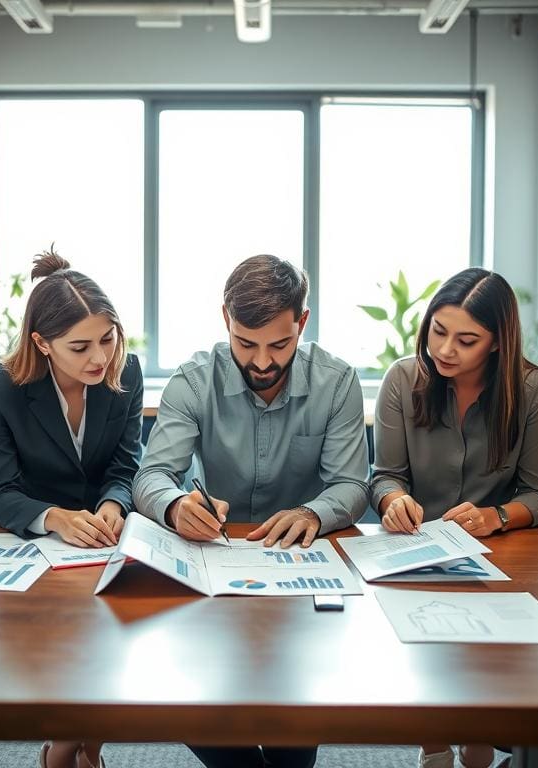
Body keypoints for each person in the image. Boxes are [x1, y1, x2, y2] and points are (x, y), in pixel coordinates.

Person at [133, 253, 370, 768]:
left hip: (302, 574)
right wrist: (175, 506)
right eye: (246, 344)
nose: (262, 362)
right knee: (187, 695)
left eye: (280, 345)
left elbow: (353, 485)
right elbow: (150, 477)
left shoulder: (338, 382)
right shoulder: (193, 380)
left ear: (302, 323)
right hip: (212, 567)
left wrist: (313, 512)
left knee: (293, 727)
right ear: (226, 321)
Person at [370, 267, 538, 768]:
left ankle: (477, 745)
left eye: (467, 339)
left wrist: (495, 516)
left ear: (497, 342)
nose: (446, 349)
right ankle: (433, 747)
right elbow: (385, 475)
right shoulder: (403, 380)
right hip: (413, 549)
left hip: (496, 551)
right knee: (425, 655)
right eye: (438, 331)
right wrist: (392, 501)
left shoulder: (533, 390)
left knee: (484, 661)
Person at [0, 247, 143, 768]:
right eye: (80, 347)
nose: (99, 358)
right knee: (67, 647)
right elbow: (0, 493)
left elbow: (125, 466)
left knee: (116, 635)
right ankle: (75, 748)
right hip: (40, 546)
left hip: (106, 539)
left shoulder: (126, 373)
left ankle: (73, 747)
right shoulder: (0, 388)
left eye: (108, 338)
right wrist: (54, 517)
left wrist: (116, 504)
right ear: (42, 343)